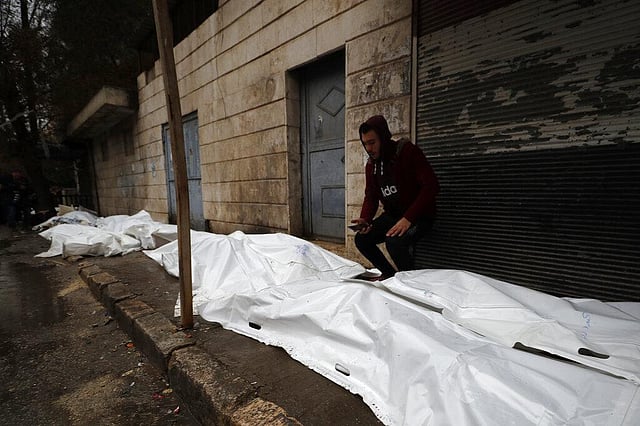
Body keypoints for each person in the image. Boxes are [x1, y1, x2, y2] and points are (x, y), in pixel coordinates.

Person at [351, 115, 439, 279]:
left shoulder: (407, 152)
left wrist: (408, 218)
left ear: (383, 138)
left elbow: (431, 186)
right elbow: (370, 196)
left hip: (419, 216)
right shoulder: (371, 166)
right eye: (365, 144)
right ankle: (389, 274)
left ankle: (412, 282)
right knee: (362, 240)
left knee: (394, 242)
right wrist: (365, 219)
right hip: (393, 215)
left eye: (372, 142)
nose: (369, 148)